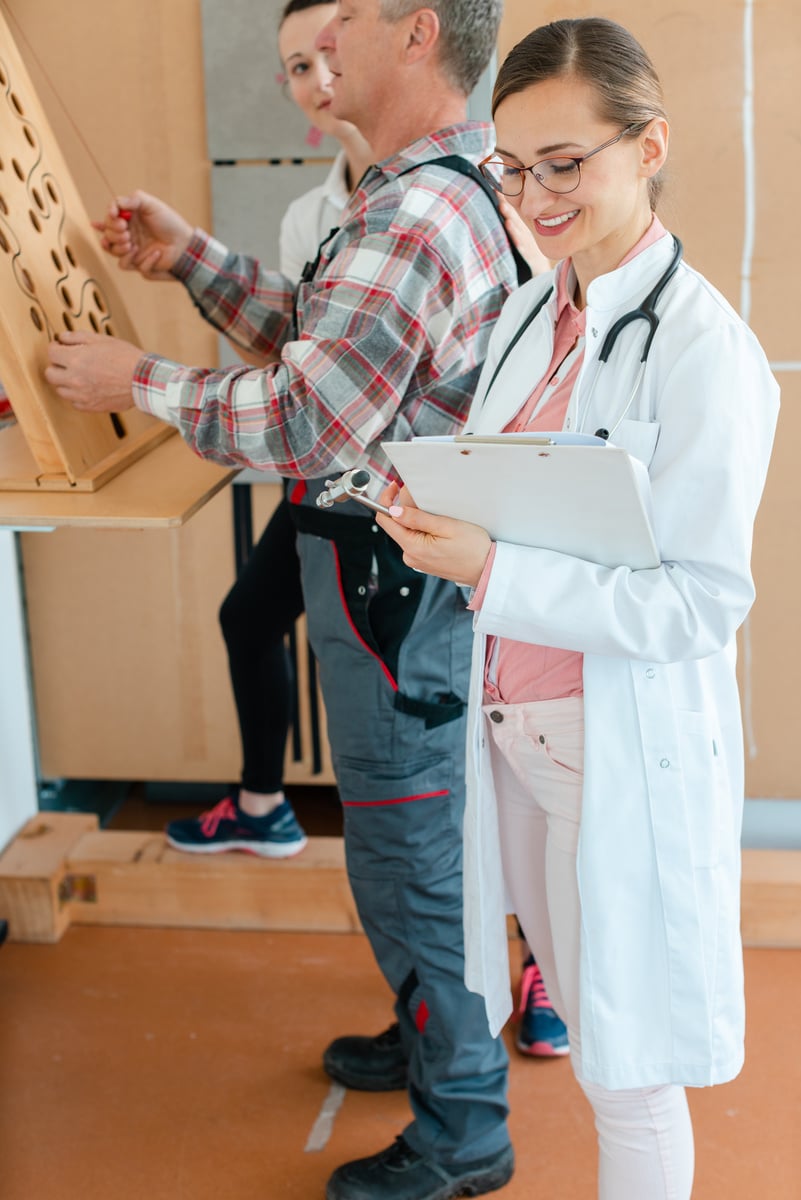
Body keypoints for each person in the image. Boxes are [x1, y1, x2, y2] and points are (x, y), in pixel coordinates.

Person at [45, 3, 530, 1197]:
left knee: (410, 858)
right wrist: (195, 262)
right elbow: (327, 347)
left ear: (418, 33)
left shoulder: (417, 208)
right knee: (402, 845)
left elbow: (307, 417)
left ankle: (463, 1128)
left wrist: (138, 381)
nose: (320, 59)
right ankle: (431, 1043)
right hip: (392, 582)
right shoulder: (426, 186)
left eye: (342, 23)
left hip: (394, 593)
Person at [375, 17, 779, 1200]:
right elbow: (531, 489)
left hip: (615, 756)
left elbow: (699, 602)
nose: (535, 195)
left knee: (625, 1071)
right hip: (516, 742)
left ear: (649, 146)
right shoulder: (529, 310)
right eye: (513, 166)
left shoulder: (706, 353)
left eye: (567, 163)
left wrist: (488, 571)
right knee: (588, 1031)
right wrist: (434, 492)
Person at [162, 0, 373, 860]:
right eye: (295, 67)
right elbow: (298, 361)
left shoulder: (456, 200)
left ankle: (535, 959)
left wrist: (142, 382)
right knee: (249, 617)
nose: (317, 80)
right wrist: (184, 255)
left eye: (329, 52)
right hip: (331, 481)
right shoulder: (307, 218)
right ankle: (261, 804)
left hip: (415, 504)